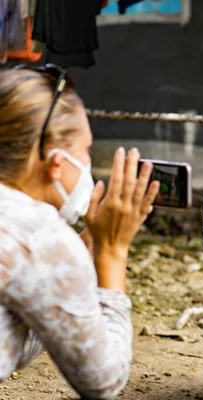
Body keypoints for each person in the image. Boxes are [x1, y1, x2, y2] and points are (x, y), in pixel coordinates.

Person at [0, 66, 159, 399]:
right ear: (57, 162)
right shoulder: (41, 238)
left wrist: (87, 242)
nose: (87, 162)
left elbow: (28, 313)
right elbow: (104, 381)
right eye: (86, 151)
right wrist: (113, 252)